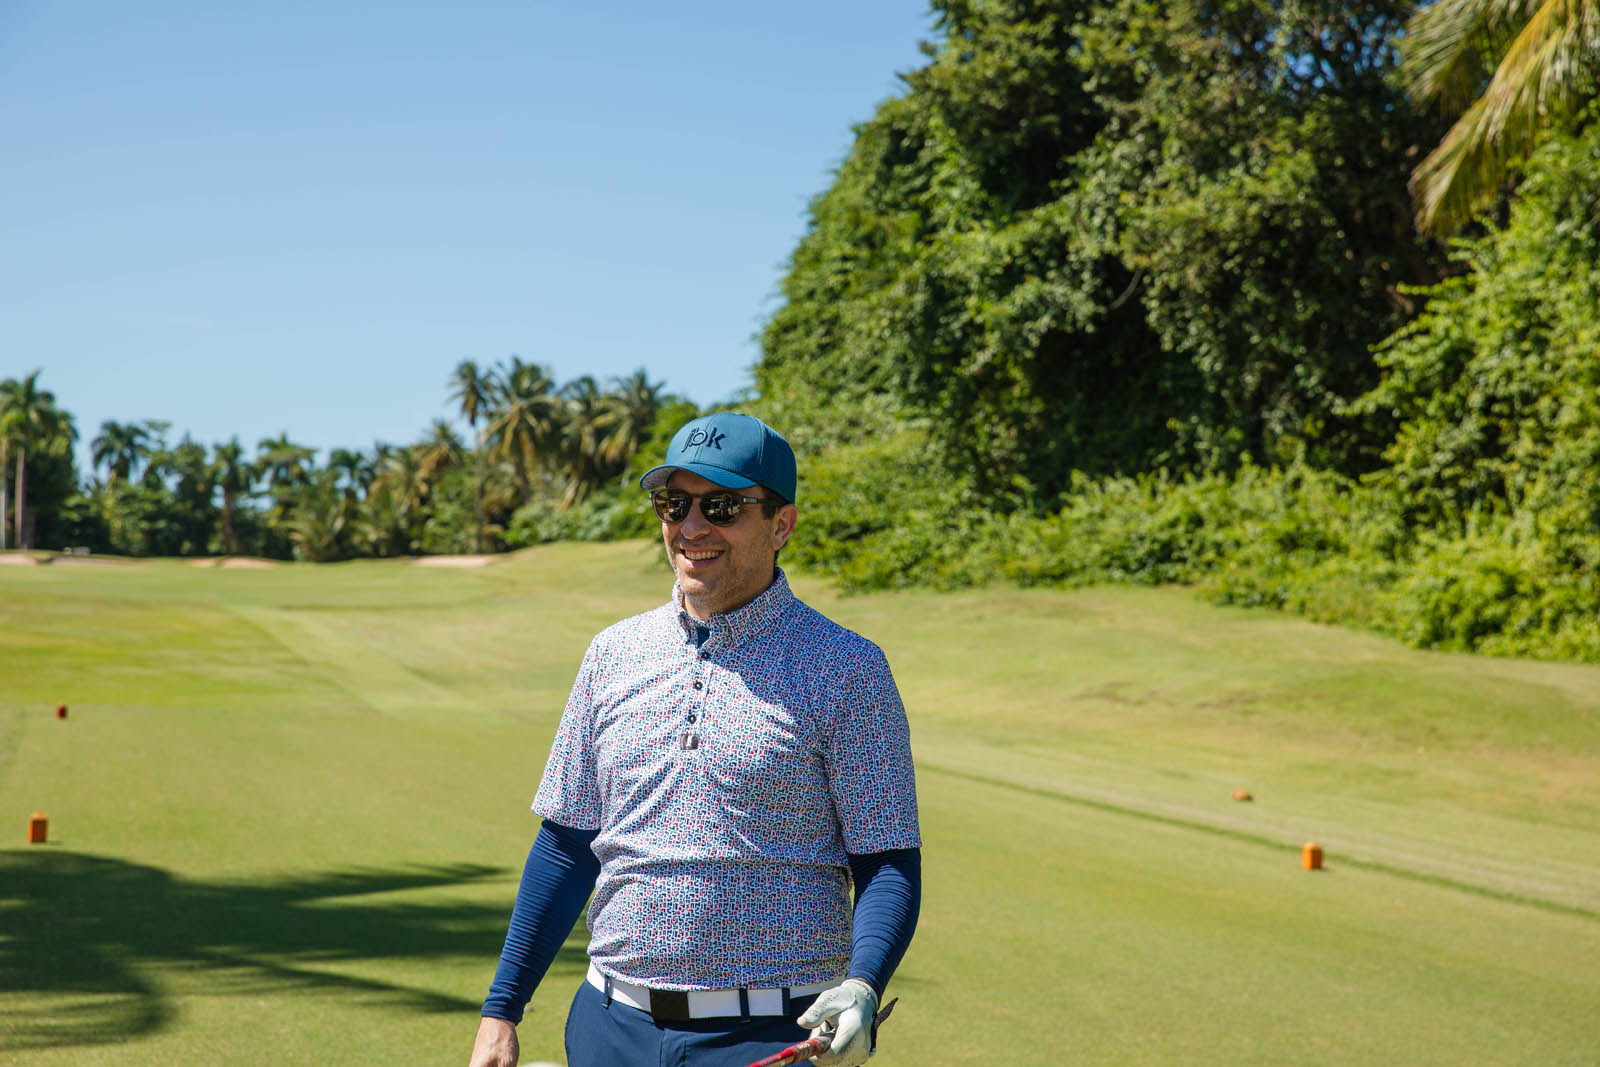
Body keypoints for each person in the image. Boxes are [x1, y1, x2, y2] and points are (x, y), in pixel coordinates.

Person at [468, 412, 922, 1067]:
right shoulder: (613, 653)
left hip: (770, 1033)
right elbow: (566, 844)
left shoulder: (848, 668)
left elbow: (886, 860)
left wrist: (863, 983)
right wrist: (501, 1010)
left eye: (722, 506)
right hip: (609, 1026)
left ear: (781, 524)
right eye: (674, 504)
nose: (691, 527)